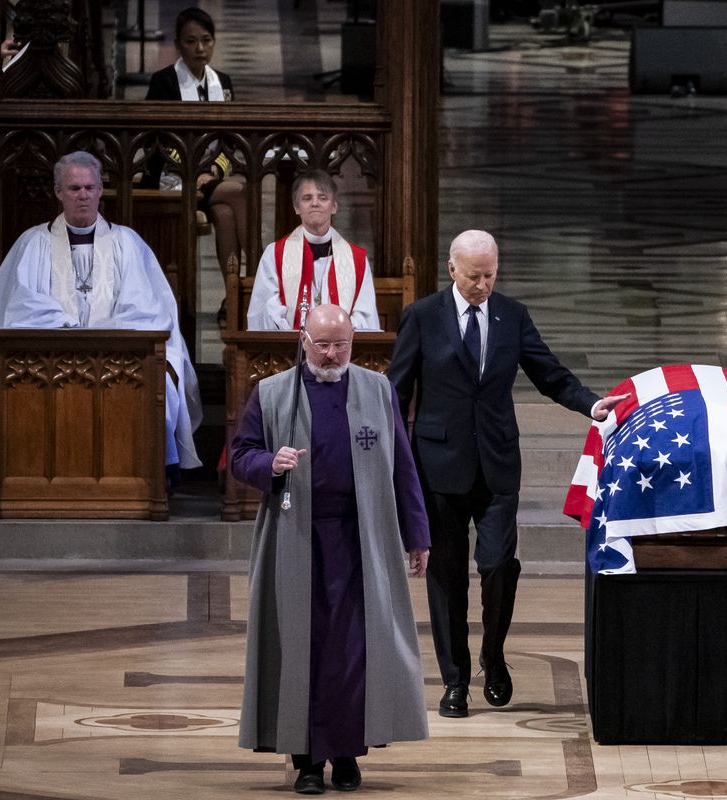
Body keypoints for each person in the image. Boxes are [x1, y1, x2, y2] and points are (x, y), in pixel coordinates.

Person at [387, 229, 626, 718]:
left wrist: (591, 404)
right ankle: (454, 681)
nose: (483, 285)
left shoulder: (512, 315)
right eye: (474, 276)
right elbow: (395, 389)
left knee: (498, 567)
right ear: (452, 269)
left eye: (490, 274)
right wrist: (389, 455)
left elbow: (549, 373)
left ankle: (492, 656)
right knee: (447, 579)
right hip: (439, 468)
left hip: (497, 466)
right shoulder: (422, 317)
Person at [230, 303, 430, 795]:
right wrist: (268, 463)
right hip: (295, 541)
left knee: (354, 652)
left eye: (340, 344)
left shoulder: (376, 389)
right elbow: (239, 455)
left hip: (361, 541)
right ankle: (307, 763)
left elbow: (402, 465)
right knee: (303, 650)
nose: (331, 354)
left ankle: (347, 756)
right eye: (322, 344)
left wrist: (417, 534)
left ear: (353, 341)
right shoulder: (273, 393)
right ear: (303, 339)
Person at [0, 150, 202, 473]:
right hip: (46, 353)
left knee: (161, 375)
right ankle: (15, 475)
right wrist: (66, 326)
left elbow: (147, 309)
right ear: (58, 193)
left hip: (119, 354)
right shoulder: (33, 243)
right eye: (75, 188)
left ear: (99, 191)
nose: (84, 196)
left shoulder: (127, 243)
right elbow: (20, 305)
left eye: (90, 188)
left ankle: (141, 477)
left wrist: (101, 333)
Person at [143, 6, 247, 277]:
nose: (200, 47)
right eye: (191, 41)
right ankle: (260, 278)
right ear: (178, 45)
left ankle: (232, 299)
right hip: (171, 179)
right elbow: (156, 141)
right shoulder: (164, 82)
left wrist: (212, 171)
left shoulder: (222, 82)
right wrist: (192, 171)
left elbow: (229, 143)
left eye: (206, 40)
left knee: (225, 215)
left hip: (207, 180)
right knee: (238, 193)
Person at [247, 170, 381, 331]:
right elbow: (266, 310)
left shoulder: (356, 259)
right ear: (297, 207)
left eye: (322, 198)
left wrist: (332, 336)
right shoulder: (275, 254)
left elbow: (364, 315)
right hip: (290, 350)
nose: (315, 203)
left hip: (340, 352)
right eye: (307, 198)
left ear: (334, 207)